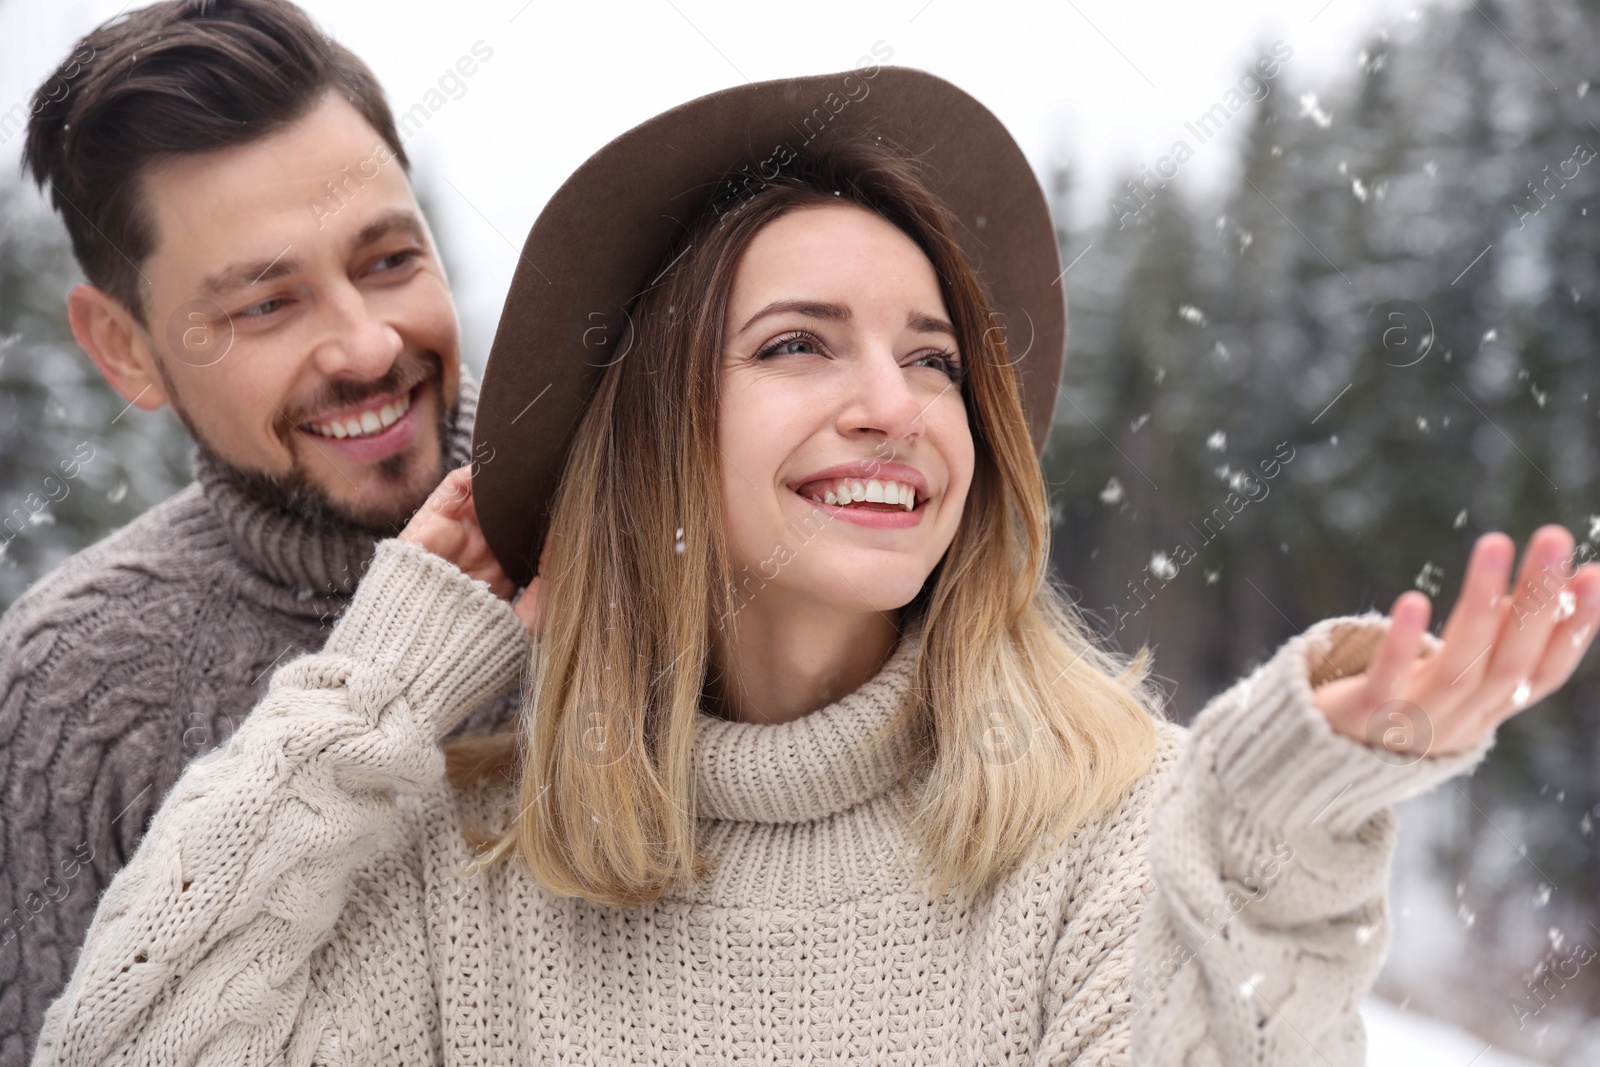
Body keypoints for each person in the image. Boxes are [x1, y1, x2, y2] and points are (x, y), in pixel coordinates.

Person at [31, 68, 1600, 1066]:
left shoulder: (1112, 831)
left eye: (933, 358)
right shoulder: (465, 866)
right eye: (796, 344)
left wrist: (1273, 841)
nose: (892, 403)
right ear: (652, 434)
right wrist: (376, 686)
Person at [0, 2, 509, 1061]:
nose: (367, 347)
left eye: (386, 261)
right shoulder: (70, 687)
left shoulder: (639, 543)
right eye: (266, 306)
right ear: (126, 349)